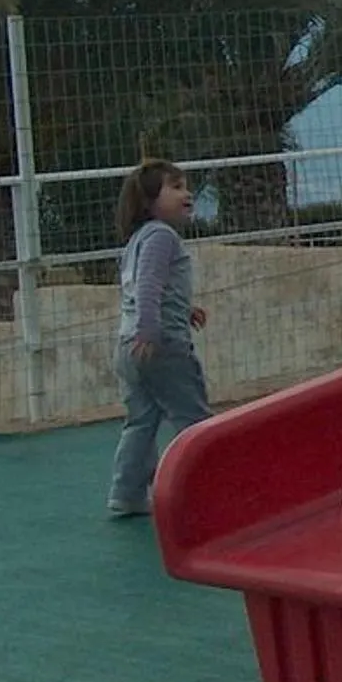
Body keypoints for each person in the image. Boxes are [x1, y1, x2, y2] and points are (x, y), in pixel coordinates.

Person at [106, 159, 210, 518]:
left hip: (127, 346)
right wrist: (151, 329)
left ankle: (127, 492)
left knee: (141, 420)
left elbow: (144, 288)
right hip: (161, 344)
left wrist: (185, 309)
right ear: (150, 201)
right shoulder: (162, 237)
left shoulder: (137, 241)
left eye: (186, 186)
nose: (187, 193)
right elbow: (149, 286)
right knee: (193, 417)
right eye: (176, 187)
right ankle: (203, 489)